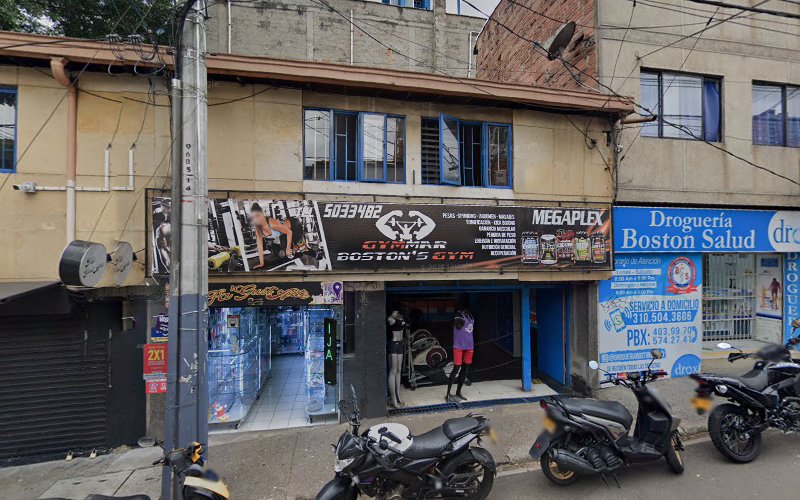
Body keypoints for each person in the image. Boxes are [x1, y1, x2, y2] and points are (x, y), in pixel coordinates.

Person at [248, 203, 302, 269]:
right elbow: (259, 246)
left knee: (293, 248)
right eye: (254, 217)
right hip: (284, 234)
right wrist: (261, 263)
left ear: (262, 214)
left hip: (294, 226)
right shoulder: (258, 229)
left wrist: (288, 248)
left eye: (257, 215)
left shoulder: (272, 224)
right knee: (285, 251)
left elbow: (289, 232)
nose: (256, 219)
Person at [446, 309, 474, 402]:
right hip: (459, 346)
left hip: (469, 346)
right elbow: (457, 327)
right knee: (456, 369)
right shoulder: (459, 315)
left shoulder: (470, 315)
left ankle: (458, 392)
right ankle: (448, 394)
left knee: (465, 370)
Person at [387, 309, 407, 408]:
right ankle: (393, 400)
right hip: (393, 344)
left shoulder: (401, 317)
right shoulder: (391, 318)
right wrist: (393, 314)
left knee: (398, 369)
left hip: (400, 343)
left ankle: (398, 396)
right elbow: (389, 318)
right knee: (393, 370)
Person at [155, 200, 171, 272]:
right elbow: (162, 249)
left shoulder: (186, 225)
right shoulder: (162, 228)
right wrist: (168, 264)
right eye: (170, 207)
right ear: (164, 210)